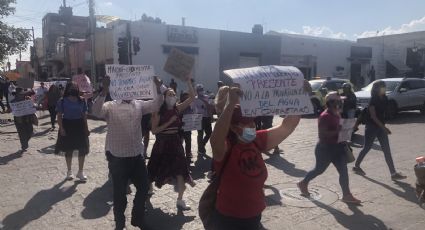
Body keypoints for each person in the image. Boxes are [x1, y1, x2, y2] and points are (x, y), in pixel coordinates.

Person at [209, 86, 305, 230]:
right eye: (246, 123)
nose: (252, 125)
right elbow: (215, 139)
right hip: (229, 219)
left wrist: (300, 95)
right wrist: (229, 105)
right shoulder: (225, 147)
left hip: (255, 214)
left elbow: (287, 126)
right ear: (234, 128)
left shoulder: (257, 140)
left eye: (252, 121)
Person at [92, 75, 165, 230]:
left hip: (137, 156)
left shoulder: (138, 104)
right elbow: (96, 111)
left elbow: (156, 104)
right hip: (118, 158)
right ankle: (120, 224)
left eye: (131, 87)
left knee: (144, 188)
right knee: (119, 195)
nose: (128, 90)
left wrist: (158, 88)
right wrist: (104, 90)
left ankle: (138, 218)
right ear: (117, 89)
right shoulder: (110, 106)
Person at [297, 92, 361, 204]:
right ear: (331, 103)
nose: (341, 102)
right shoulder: (325, 116)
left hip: (338, 148)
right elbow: (323, 134)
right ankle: (303, 183)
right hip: (325, 149)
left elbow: (339, 128)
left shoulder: (336, 113)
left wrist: (349, 128)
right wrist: (340, 131)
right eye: (339, 101)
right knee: (319, 170)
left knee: (343, 171)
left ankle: (347, 195)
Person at [148, 75, 196, 210]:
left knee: (181, 171)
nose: (172, 96)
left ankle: (180, 200)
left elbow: (192, 97)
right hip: (162, 144)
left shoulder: (177, 108)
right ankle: (149, 188)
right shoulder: (158, 112)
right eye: (170, 94)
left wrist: (187, 81)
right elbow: (154, 130)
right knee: (153, 168)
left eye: (174, 94)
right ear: (164, 97)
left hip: (175, 143)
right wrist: (169, 122)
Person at [353, 80, 406, 180]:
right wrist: (384, 128)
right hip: (372, 127)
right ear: (377, 88)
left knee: (387, 150)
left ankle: (393, 173)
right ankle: (356, 166)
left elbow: (384, 112)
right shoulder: (373, 100)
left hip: (381, 126)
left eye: (384, 86)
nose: (384, 88)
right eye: (382, 87)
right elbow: (373, 116)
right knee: (367, 147)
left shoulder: (385, 98)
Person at [55, 82, 90, 182]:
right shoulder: (62, 101)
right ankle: (69, 171)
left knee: (82, 149)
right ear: (68, 89)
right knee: (68, 149)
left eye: (76, 87)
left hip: (79, 126)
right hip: (67, 125)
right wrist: (61, 128)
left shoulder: (82, 100)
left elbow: (84, 115)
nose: (74, 89)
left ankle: (80, 172)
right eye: (72, 87)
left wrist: (86, 128)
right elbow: (59, 116)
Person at [10, 87, 35, 152]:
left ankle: (25, 142)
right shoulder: (13, 102)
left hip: (28, 119)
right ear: (16, 94)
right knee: (22, 133)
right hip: (19, 120)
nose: (21, 95)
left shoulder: (28, 99)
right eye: (20, 94)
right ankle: (24, 145)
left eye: (22, 94)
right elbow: (10, 110)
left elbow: (33, 106)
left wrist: (33, 104)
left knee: (30, 131)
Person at [194, 84, 213, 155]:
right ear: (197, 91)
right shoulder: (195, 99)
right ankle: (200, 149)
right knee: (200, 134)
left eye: (202, 89)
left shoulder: (207, 97)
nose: (201, 91)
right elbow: (193, 108)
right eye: (199, 90)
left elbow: (210, 107)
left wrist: (211, 116)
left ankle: (202, 144)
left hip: (207, 117)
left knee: (209, 133)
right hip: (199, 118)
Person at [179, 91, 195, 162]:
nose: (187, 99)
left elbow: (193, 114)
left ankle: (188, 156)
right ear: (181, 97)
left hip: (188, 126)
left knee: (188, 141)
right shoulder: (178, 105)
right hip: (179, 126)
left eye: (187, 97)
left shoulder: (191, 105)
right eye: (185, 97)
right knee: (179, 142)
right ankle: (180, 155)